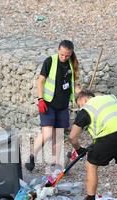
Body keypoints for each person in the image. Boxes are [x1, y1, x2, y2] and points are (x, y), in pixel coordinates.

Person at [69, 89, 117, 200]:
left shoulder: (87, 109)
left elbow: (72, 137)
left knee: (91, 164)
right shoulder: (111, 98)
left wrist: (79, 149)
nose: (80, 108)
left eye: (79, 105)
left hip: (109, 135)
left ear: (84, 99)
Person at [25, 40, 81, 172]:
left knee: (59, 136)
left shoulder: (72, 63)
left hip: (63, 105)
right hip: (48, 104)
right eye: (62, 54)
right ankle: (32, 156)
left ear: (71, 53)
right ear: (58, 50)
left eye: (67, 55)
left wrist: (81, 95)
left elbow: (75, 83)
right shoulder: (49, 61)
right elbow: (41, 81)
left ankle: (55, 164)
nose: (64, 57)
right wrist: (40, 99)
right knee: (47, 133)